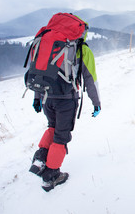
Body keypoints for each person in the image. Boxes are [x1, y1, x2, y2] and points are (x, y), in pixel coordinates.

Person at [29, 30, 101, 192]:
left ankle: (40, 158)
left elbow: (39, 72)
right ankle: (51, 177)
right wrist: (96, 103)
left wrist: (37, 97)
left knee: (52, 127)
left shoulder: (48, 44)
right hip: (66, 100)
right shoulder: (81, 48)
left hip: (48, 98)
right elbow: (90, 79)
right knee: (61, 137)